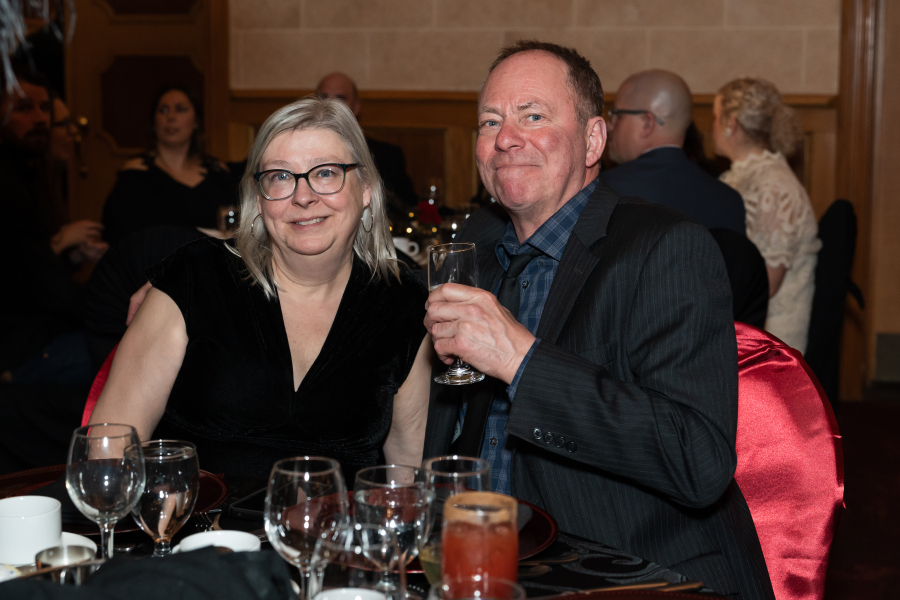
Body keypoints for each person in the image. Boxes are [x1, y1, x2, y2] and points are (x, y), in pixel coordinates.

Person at [423, 42, 774, 600]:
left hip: (631, 570)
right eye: (490, 121)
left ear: (593, 141)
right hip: (481, 564)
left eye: (532, 116)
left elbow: (698, 461)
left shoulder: (665, 247)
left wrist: (521, 360)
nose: (505, 138)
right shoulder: (478, 245)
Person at [88, 96, 432, 488]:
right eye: (280, 176)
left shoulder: (403, 306)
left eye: (326, 173)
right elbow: (108, 451)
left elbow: (409, 479)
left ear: (366, 187)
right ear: (259, 196)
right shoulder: (196, 278)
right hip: (198, 523)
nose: (303, 196)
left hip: (339, 527)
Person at [0, 68, 106, 384]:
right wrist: (116, 309)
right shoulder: (9, 186)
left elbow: (28, 268)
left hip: (34, 328)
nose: (39, 119)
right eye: (24, 108)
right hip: (20, 348)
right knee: (135, 356)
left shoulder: (28, 172)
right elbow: (49, 291)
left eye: (44, 108)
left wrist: (68, 254)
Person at [713, 78, 821, 353]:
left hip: (770, 341)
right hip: (744, 320)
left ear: (731, 124)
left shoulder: (774, 185)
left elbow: (767, 284)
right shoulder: (744, 176)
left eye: (715, 118)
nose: (711, 126)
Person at [601, 69, 746, 235]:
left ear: (647, 123)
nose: (608, 125)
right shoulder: (729, 200)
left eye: (616, 115)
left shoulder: (605, 191)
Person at [101, 85, 237, 245]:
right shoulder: (136, 174)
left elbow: (237, 226)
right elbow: (121, 234)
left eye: (180, 109)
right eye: (163, 110)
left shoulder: (218, 172)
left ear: (196, 121)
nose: (171, 117)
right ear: (154, 122)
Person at [316, 72, 418, 207]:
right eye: (323, 98)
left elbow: (407, 207)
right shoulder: (298, 151)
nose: (330, 106)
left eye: (340, 99)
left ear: (356, 107)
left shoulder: (388, 156)